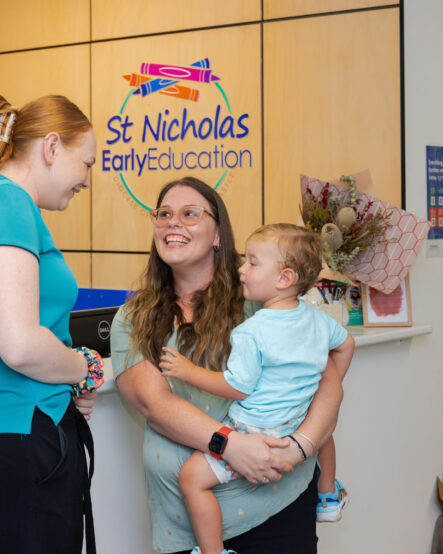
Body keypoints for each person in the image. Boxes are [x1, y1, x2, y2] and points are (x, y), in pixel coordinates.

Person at [111, 176, 345, 554]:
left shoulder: (261, 296)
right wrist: (230, 446)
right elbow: (156, 405)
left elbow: (328, 384)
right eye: (164, 214)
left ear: (218, 234)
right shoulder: (132, 318)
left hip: (277, 505)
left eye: (190, 214)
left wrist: (300, 448)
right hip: (185, 523)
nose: (173, 222)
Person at [0, 93, 102, 554]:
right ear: (51, 147)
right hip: (18, 453)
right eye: (85, 163)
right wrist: (83, 366)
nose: (86, 180)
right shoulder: (6, 204)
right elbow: (21, 346)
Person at [158, 223, 355, 554]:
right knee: (325, 433)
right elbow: (346, 345)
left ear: (284, 278)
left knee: (191, 479)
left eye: (252, 262)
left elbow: (236, 386)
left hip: (256, 430)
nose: (242, 269)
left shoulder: (252, 331)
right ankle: (327, 496)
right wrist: (311, 388)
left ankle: (212, 551)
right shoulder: (318, 320)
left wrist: (189, 371)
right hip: (296, 423)